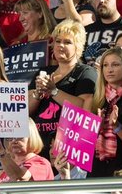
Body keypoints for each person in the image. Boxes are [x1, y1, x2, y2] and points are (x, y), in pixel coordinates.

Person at [28, 20, 96, 149]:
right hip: (39, 144)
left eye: (67, 42)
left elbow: (84, 108)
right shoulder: (44, 72)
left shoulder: (86, 72)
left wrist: (54, 91)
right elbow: (25, 110)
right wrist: (37, 93)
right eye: (58, 41)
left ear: (78, 46)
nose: (60, 45)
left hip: (68, 145)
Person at [88, 46, 122, 176]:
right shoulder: (94, 100)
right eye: (105, 65)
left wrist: (116, 125)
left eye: (115, 64)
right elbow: (84, 143)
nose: (109, 69)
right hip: (96, 169)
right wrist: (97, 127)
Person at [0, 122, 54, 194]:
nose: (14, 140)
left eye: (20, 136)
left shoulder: (40, 163)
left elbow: (19, 177)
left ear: (31, 137)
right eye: (10, 137)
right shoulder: (6, 169)